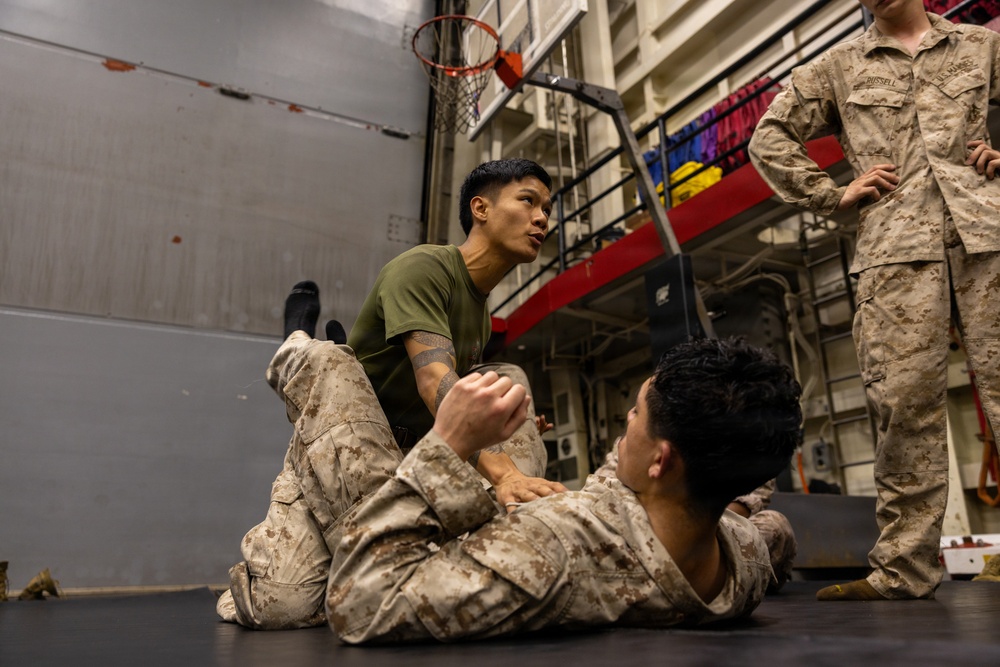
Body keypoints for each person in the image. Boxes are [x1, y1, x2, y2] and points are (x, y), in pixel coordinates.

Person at [217, 158, 566, 629]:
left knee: (505, 377)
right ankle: (298, 340)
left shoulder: (480, 314)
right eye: (528, 200)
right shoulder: (425, 267)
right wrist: (501, 470)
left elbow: (452, 400)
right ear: (480, 208)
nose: (543, 217)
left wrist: (509, 424)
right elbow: (432, 380)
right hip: (340, 438)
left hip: (406, 455)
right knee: (279, 609)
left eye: (547, 207)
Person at [748, 0, 1000, 601]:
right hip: (895, 251)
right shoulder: (838, 66)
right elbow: (768, 136)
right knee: (903, 404)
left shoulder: (979, 45)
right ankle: (903, 572)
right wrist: (829, 194)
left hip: (988, 236)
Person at [327, 337, 802, 643]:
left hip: (461, 529)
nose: (626, 424)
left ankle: (299, 343)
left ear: (661, 461)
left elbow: (359, 606)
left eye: (635, 413)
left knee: (323, 365)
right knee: (508, 382)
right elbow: (765, 523)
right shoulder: (747, 554)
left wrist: (447, 442)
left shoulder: (553, 547)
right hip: (652, 505)